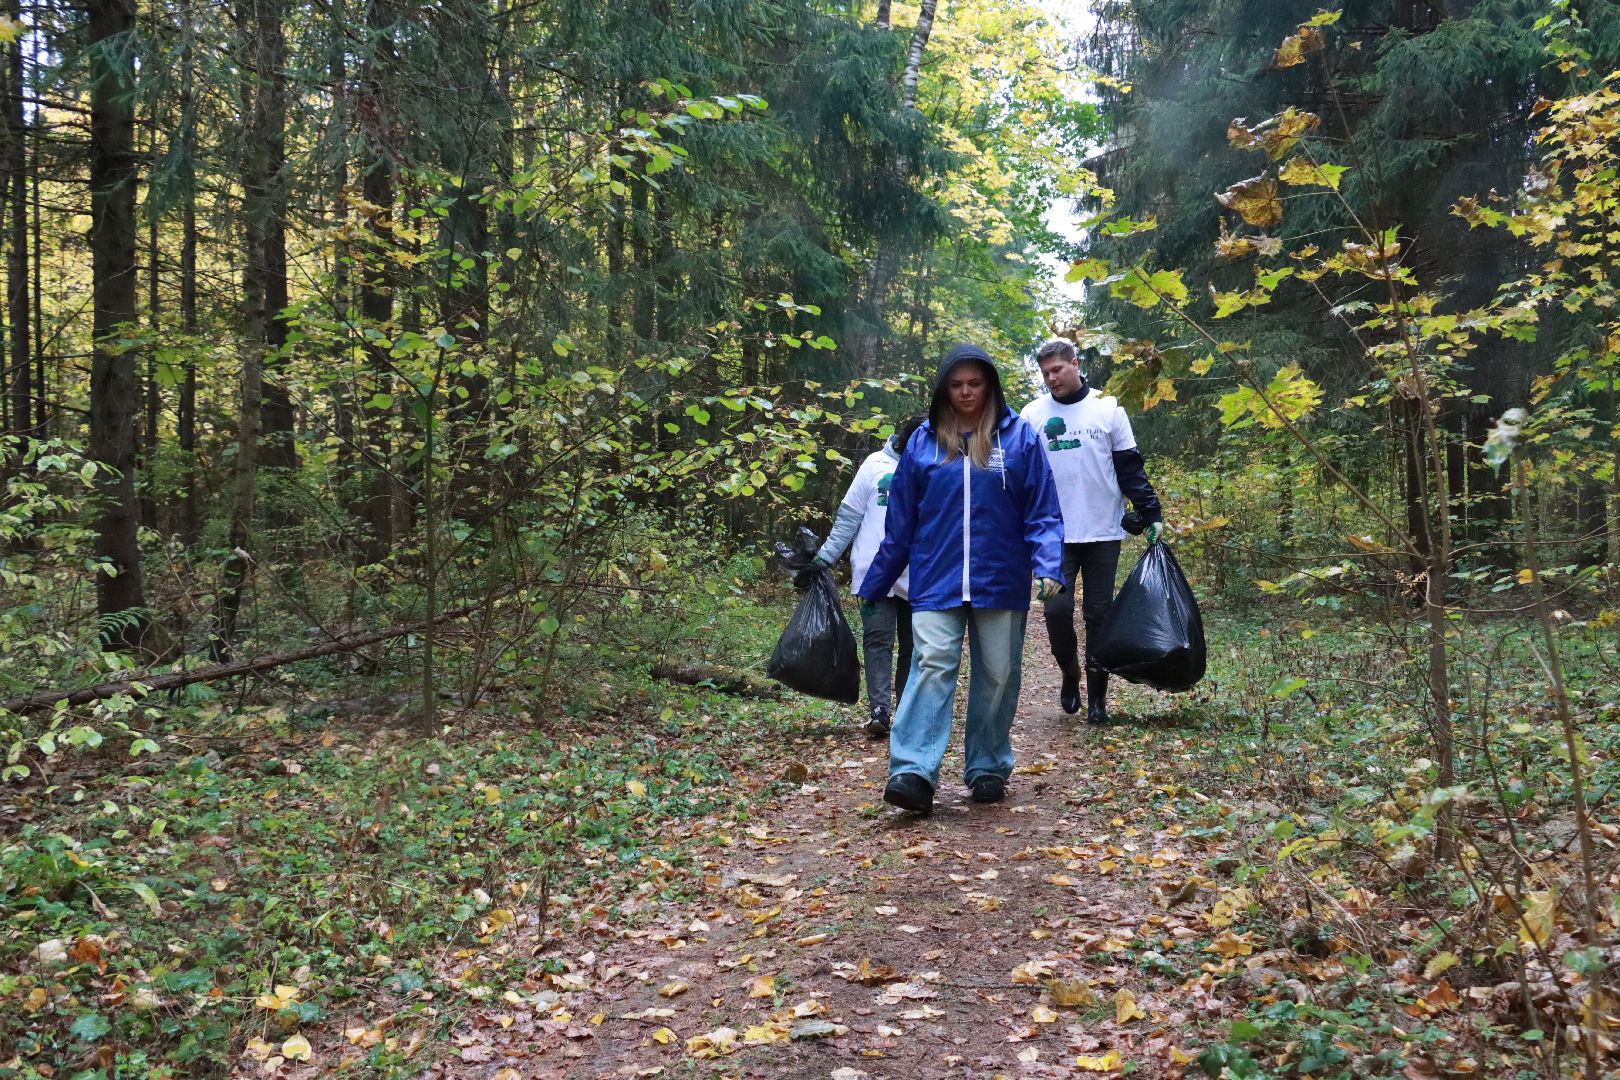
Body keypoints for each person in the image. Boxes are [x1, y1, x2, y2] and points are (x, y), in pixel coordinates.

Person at [858, 344, 1064, 815]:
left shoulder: (1020, 440)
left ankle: (988, 765)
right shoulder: (923, 443)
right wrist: (875, 585)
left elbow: (1043, 512)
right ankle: (912, 770)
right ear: (943, 389)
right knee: (932, 663)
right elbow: (901, 525)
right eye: (957, 384)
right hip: (936, 578)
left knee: (997, 671)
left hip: (1000, 577)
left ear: (989, 384)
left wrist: (1049, 564)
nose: (966, 392)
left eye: (975, 383)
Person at [1019, 339, 1164, 726]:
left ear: (1075, 364)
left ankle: (1098, 698)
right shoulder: (1032, 415)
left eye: (1057, 370)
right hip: (1053, 535)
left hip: (1102, 529)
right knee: (1056, 610)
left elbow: (1129, 466)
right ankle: (1070, 674)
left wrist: (1150, 512)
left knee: (1099, 615)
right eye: (1045, 373)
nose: (1051, 379)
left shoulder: (1108, 407)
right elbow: (1019, 477)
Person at [803, 414, 927, 739]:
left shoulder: (933, 465)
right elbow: (849, 517)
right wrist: (825, 558)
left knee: (913, 645)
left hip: (919, 572)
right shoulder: (875, 464)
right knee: (877, 641)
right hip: (872, 570)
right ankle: (880, 712)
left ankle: (908, 711)